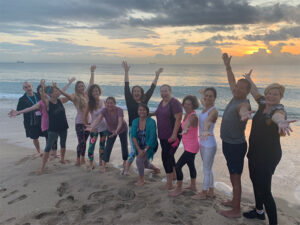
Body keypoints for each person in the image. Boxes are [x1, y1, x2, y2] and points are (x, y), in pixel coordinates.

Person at [242, 73, 295, 225]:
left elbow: (278, 116)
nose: (272, 96)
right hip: (254, 152)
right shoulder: (263, 103)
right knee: (255, 182)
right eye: (270, 93)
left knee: (265, 190)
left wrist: (281, 123)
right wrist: (249, 79)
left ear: (281, 97)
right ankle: (259, 212)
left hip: (268, 155)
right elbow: (254, 91)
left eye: (276, 94)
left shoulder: (278, 110)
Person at [220, 53, 255, 218]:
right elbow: (231, 79)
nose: (236, 89)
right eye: (236, 87)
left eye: (241, 88)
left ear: (247, 92)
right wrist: (227, 65)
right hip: (228, 144)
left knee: (235, 178)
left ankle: (236, 209)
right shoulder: (235, 95)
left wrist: (244, 115)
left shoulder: (243, 102)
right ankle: (234, 202)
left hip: (235, 146)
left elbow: (243, 109)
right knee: (233, 174)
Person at [12, 79, 74, 157]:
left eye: (29, 86)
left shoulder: (39, 96)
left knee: (49, 136)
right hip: (31, 121)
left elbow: (58, 92)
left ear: (32, 86)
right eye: (26, 87)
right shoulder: (22, 99)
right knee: (35, 137)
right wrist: (17, 113)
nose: (28, 88)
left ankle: (51, 151)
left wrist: (69, 83)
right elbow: (24, 109)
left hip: (43, 119)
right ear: (23, 89)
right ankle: (39, 151)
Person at [122, 61, 163, 175]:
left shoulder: (144, 101)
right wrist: (126, 72)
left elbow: (152, 88)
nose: (136, 92)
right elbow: (126, 86)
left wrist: (157, 76)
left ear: (141, 93)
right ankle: (126, 169)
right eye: (134, 91)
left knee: (144, 151)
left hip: (145, 129)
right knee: (134, 150)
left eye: (138, 91)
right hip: (133, 128)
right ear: (132, 93)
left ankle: (154, 168)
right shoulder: (129, 101)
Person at [56, 65, 96, 166]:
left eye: (83, 86)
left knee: (85, 142)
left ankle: (83, 158)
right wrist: (58, 89)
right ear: (76, 88)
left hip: (89, 122)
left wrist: (92, 72)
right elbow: (67, 96)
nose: (82, 88)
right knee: (81, 142)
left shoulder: (86, 94)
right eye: (79, 86)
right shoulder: (74, 96)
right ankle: (78, 158)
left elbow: (91, 84)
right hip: (79, 122)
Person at [86, 97, 128, 173]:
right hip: (110, 129)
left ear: (115, 103)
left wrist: (116, 131)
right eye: (108, 103)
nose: (109, 104)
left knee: (124, 145)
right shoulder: (104, 110)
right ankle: (104, 165)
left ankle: (125, 161)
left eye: (111, 103)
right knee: (108, 146)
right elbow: (98, 119)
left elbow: (120, 122)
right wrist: (92, 126)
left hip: (122, 129)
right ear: (106, 103)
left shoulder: (119, 110)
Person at [169, 95, 199, 197]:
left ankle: (178, 188)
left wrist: (185, 128)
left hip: (192, 147)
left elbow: (189, 123)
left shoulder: (193, 116)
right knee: (191, 165)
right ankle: (193, 186)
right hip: (188, 145)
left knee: (178, 167)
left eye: (189, 104)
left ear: (193, 105)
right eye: (185, 104)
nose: (186, 106)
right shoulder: (186, 114)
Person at [154, 84, 183, 190]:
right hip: (162, 135)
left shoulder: (175, 103)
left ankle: (169, 183)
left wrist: (174, 134)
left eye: (165, 91)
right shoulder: (162, 102)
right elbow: (158, 113)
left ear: (170, 91)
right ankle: (173, 176)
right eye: (162, 91)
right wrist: (147, 114)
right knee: (169, 156)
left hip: (172, 136)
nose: (163, 93)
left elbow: (178, 119)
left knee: (166, 157)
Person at [192, 87, 218, 200]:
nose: (207, 98)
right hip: (203, 143)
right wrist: (203, 93)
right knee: (209, 168)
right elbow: (203, 100)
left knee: (206, 169)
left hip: (209, 144)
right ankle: (211, 191)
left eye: (210, 96)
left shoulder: (213, 111)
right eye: (206, 96)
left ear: (214, 98)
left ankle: (203, 193)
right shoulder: (205, 107)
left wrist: (206, 130)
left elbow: (208, 121)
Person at [39, 82, 70, 173]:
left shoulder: (61, 100)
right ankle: (42, 167)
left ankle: (62, 159)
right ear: (50, 94)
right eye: (55, 91)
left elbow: (69, 96)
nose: (57, 92)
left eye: (57, 91)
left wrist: (59, 88)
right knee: (48, 147)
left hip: (63, 126)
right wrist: (43, 86)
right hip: (53, 129)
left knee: (63, 144)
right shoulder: (48, 103)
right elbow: (43, 96)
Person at [131, 104, 160, 186]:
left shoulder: (151, 121)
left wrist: (145, 150)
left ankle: (141, 180)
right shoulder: (135, 121)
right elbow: (133, 136)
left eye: (144, 110)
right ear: (137, 111)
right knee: (145, 164)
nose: (142, 111)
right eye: (140, 110)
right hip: (139, 146)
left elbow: (152, 137)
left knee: (139, 160)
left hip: (151, 146)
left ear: (147, 111)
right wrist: (139, 149)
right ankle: (156, 169)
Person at [83, 84, 107, 170]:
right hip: (94, 129)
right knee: (91, 146)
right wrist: (89, 126)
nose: (95, 92)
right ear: (91, 93)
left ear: (99, 91)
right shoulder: (89, 103)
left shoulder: (104, 101)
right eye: (93, 91)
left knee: (102, 146)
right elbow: (84, 116)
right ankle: (91, 163)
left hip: (104, 128)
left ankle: (101, 161)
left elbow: (108, 115)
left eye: (96, 90)